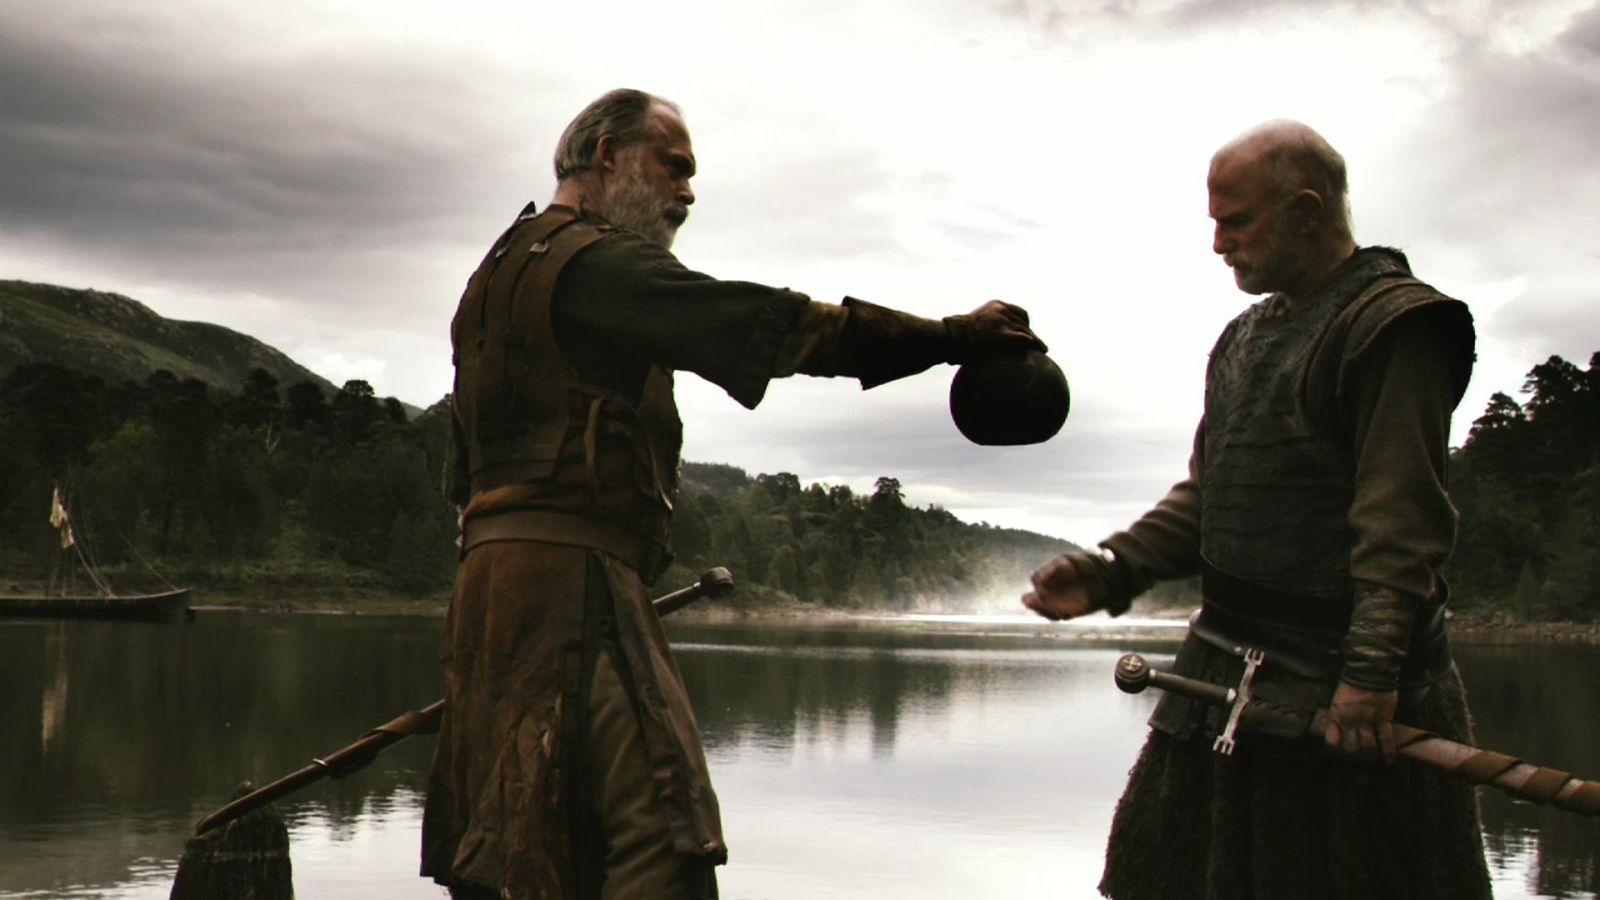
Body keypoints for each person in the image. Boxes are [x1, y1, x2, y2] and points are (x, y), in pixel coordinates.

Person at [420, 88, 1045, 900]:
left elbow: (461, 477)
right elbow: (773, 328)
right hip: (574, 588)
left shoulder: (494, 275)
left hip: (490, 598)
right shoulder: (597, 263)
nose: (687, 192)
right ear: (607, 156)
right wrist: (953, 336)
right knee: (661, 836)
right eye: (673, 167)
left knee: (528, 841)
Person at [1022, 120, 1492, 899]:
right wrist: (1114, 570)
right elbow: (1214, 496)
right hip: (1224, 676)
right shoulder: (1244, 338)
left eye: (1236, 222)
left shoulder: (1394, 328)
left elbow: (1399, 523)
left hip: (1338, 693)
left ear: (1305, 212)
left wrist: (1369, 676)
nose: (1218, 244)